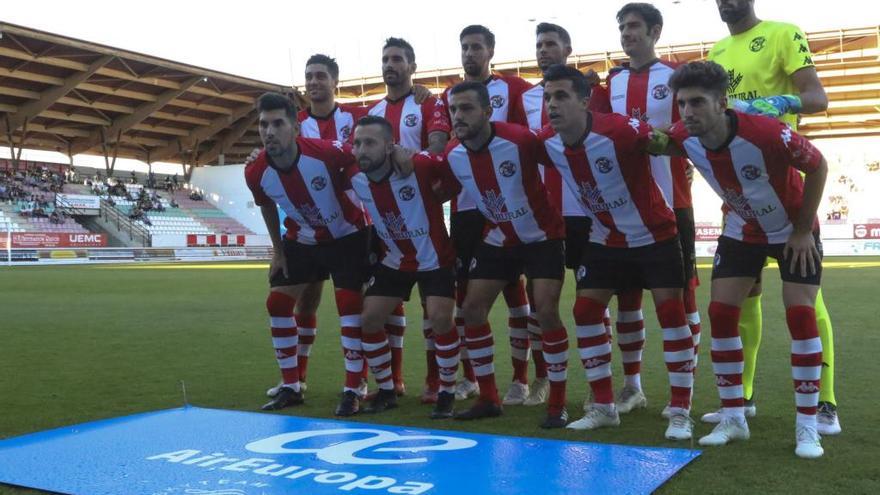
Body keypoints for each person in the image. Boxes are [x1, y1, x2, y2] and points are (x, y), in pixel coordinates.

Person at [666, 60, 828, 458]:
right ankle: (734, 417)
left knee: (801, 315)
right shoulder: (682, 136)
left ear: (722, 102)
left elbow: (819, 165)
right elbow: (651, 142)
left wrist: (804, 229)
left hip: (793, 229)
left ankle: (808, 426)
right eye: (682, 103)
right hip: (742, 230)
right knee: (721, 313)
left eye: (698, 102)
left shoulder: (767, 133)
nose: (688, 112)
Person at [538, 64, 695, 439]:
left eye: (561, 96)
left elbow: (667, 140)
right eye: (547, 98)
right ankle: (605, 407)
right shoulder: (546, 141)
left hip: (655, 234)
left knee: (672, 314)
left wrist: (684, 161)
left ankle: (680, 410)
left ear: (585, 100)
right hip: (605, 238)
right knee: (585, 310)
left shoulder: (621, 129)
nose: (552, 105)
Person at [704, 0, 839, 436]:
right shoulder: (716, 52)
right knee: (743, 298)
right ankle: (741, 400)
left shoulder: (783, 32)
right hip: (739, 186)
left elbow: (818, 97)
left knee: (805, 301)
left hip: (783, 183)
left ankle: (825, 405)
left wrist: (779, 101)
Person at [588, 2, 700, 418]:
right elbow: (592, 127)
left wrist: (666, 140)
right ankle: (632, 387)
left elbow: (693, 123)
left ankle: (690, 382)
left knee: (681, 299)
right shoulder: (612, 80)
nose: (626, 32)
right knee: (627, 300)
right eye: (622, 26)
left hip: (673, 203)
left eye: (634, 25)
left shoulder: (676, 75)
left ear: (656, 30)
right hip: (624, 206)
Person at [436, 81, 570, 428]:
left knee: (545, 310)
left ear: (487, 111)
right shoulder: (453, 153)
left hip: (542, 235)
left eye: (466, 108)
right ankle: (489, 397)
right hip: (498, 236)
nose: (458, 116)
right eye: (453, 109)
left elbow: (564, 159)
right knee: (471, 309)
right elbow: (441, 190)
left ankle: (557, 401)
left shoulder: (520, 139)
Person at [244, 92, 373, 414]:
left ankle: (353, 386)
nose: (269, 131)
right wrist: (278, 251)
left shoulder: (327, 153)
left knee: (349, 304)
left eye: (277, 124)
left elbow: (358, 160)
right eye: (263, 125)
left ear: (296, 129)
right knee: (278, 302)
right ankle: (291, 385)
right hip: (301, 239)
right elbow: (267, 207)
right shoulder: (255, 171)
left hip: (347, 236)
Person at [440, 24, 536, 407]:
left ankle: (524, 379)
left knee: (518, 294)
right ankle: (471, 378)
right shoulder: (446, 95)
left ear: (491, 50)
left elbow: (533, 133)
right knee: (465, 299)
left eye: (476, 47)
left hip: (508, 205)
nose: (469, 54)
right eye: (464, 47)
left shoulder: (515, 89)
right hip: (465, 209)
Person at [513, 23, 602, 409]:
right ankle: (544, 379)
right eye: (539, 45)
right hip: (543, 214)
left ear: (567, 48)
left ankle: (598, 386)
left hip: (584, 210)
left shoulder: (591, 93)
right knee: (540, 303)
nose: (543, 50)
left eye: (551, 44)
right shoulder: (527, 97)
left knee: (592, 301)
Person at [347, 115, 461, 418]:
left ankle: (446, 392)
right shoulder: (355, 177)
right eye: (357, 143)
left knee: (440, 320)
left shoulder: (418, 165)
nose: (361, 150)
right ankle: (386, 389)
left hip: (434, 258)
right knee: (369, 319)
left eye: (370, 143)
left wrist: (439, 191)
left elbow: (451, 168)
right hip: (394, 260)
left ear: (389, 146)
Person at [366, 37, 452, 401]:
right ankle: (393, 381)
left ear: (412, 67)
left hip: (425, 219)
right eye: (386, 59)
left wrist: (410, 158)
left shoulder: (428, 103)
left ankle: (436, 381)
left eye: (398, 59)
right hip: (386, 227)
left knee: (432, 312)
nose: (390, 65)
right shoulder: (370, 113)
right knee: (385, 307)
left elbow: (437, 148)